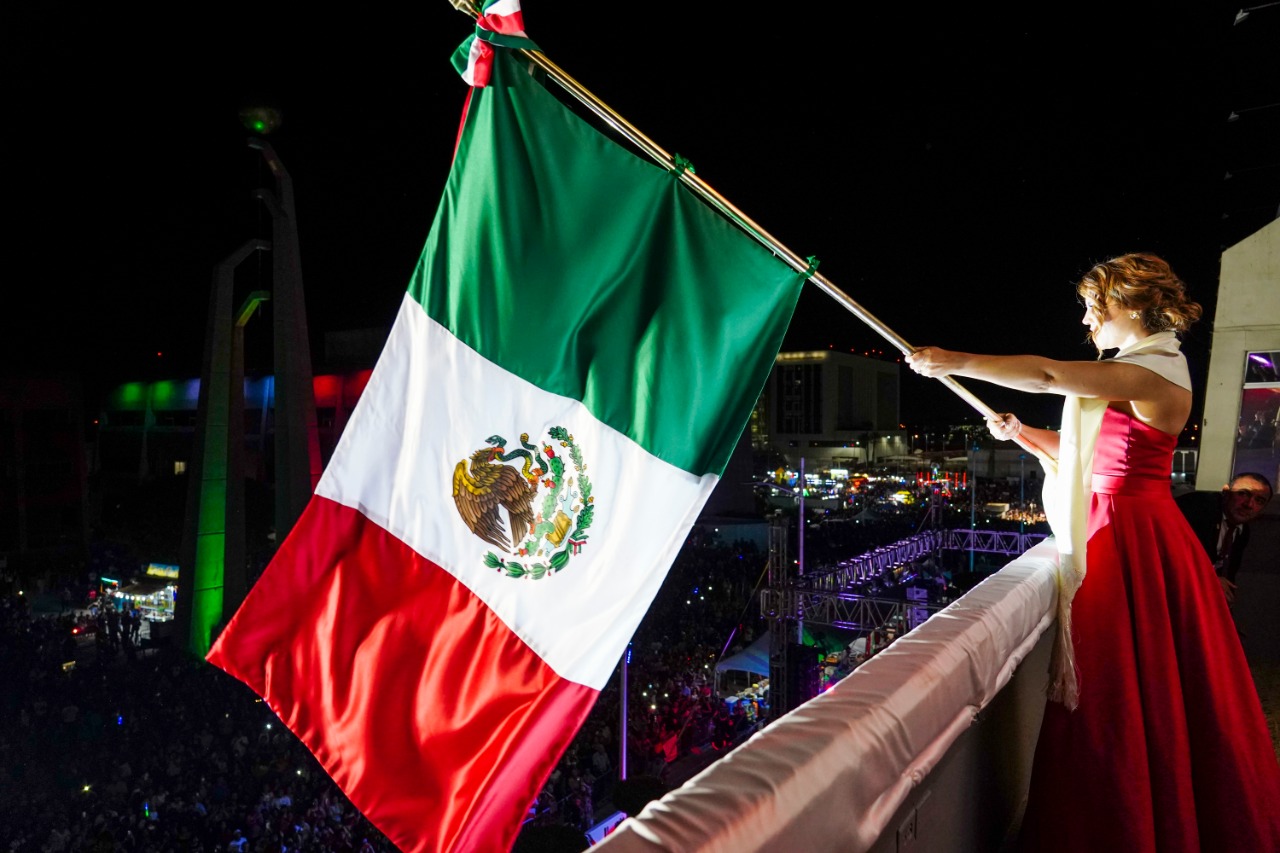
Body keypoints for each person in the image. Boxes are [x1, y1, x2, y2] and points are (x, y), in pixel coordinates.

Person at [906, 253, 1280, 851]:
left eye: (1092, 306)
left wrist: (954, 361)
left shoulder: (1157, 370)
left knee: (1114, 683)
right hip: (1128, 531)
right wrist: (1022, 433)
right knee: (1133, 681)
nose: (1086, 321)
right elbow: (1093, 452)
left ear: (1129, 303)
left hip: (1131, 537)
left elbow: (1049, 375)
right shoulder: (1141, 371)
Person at [1175, 472, 1273, 604]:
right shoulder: (1199, 507)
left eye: (1259, 501)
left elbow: (1227, 576)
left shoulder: (1242, 530)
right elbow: (1173, 555)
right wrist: (1209, 578)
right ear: (1225, 491)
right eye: (1243, 494)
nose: (1249, 504)